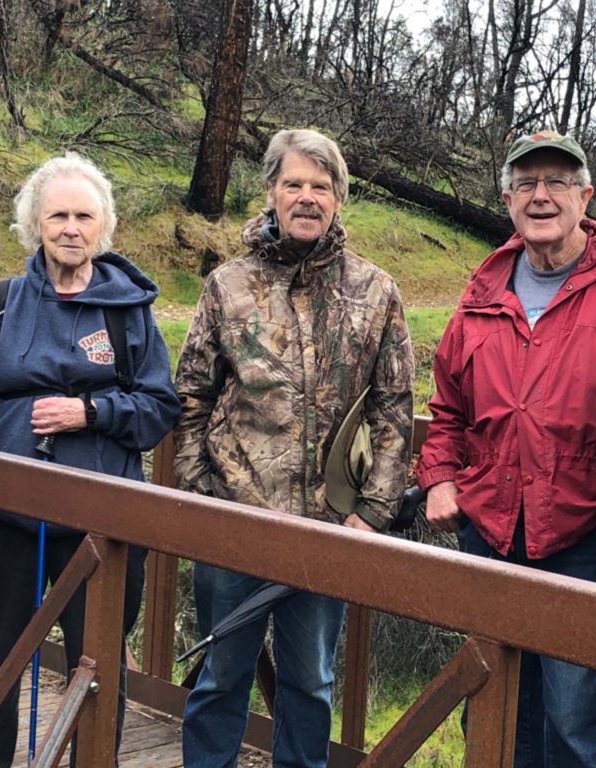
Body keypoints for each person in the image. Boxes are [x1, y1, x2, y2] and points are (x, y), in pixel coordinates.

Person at [0, 152, 181, 766]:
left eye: (84, 216)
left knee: (99, 669)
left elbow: (160, 408)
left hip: (102, 523)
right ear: (36, 224)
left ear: (102, 227)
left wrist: (90, 413)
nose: (71, 228)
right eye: (58, 215)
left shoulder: (128, 311)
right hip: (8, 513)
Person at [416, 130, 596, 767]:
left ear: (586, 196)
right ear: (506, 199)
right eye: (526, 183)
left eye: (557, 182)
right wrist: (440, 479)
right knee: (494, 703)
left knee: (575, 715)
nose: (541, 195)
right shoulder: (484, 287)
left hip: (589, 532)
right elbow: (446, 407)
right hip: (493, 530)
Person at [174, 128, 414, 768]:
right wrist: (200, 495)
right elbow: (192, 394)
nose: (307, 197)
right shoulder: (228, 284)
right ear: (273, 192)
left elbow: (395, 408)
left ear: (339, 198)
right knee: (220, 673)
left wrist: (373, 512)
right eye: (294, 184)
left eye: (321, 185)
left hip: (329, 527)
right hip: (233, 516)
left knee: (309, 684)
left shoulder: (375, 290)